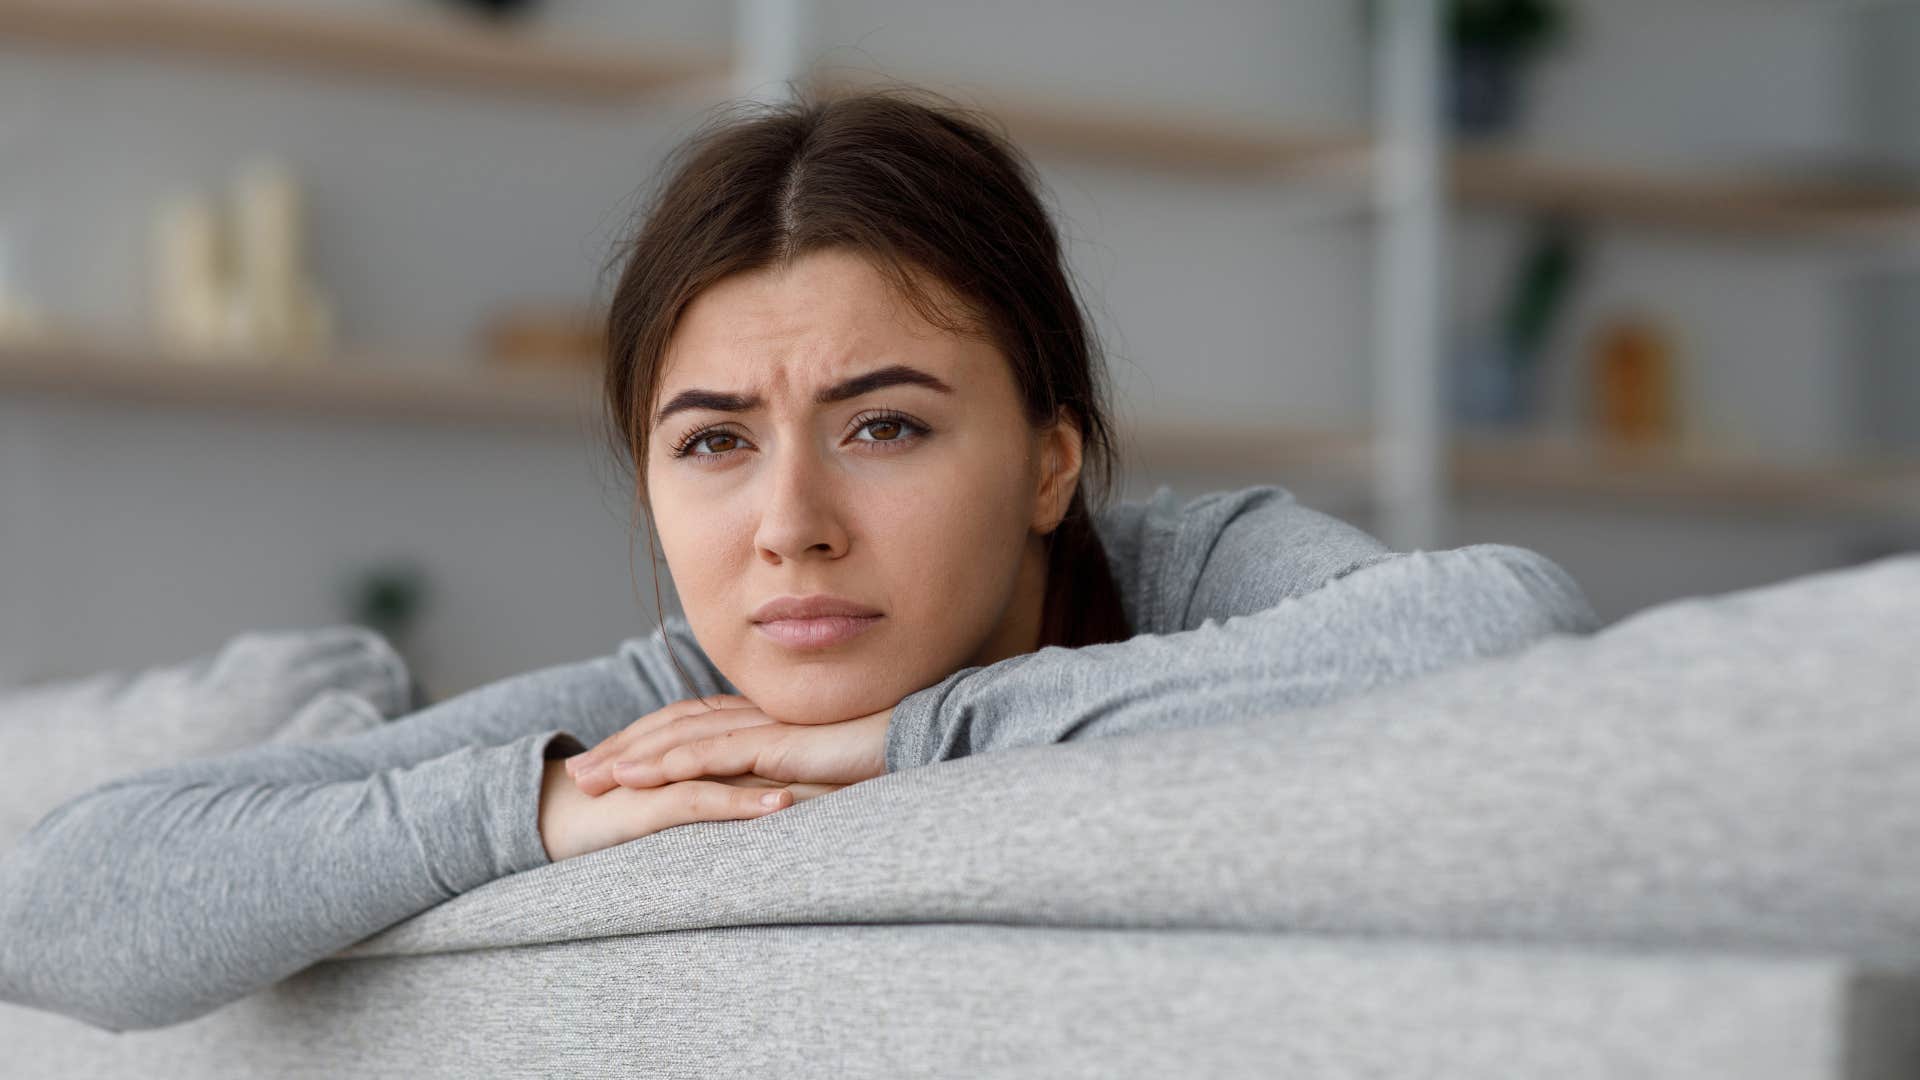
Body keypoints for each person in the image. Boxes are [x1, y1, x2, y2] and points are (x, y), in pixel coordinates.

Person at [0, 85, 1599, 1032]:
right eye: (712, 443)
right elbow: (58, 902)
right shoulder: (674, 710)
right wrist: (534, 806)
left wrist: (905, 744)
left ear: (1051, 458)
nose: (789, 525)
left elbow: (1502, 625)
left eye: (885, 425)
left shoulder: (1197, 572)